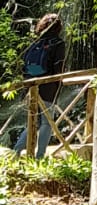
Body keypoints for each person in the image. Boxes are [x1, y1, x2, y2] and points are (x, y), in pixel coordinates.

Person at [15, 13, 65, 160]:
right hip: (48, 86)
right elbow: (58, 67)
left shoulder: (34, 42)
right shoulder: (58, 43)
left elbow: (24, 65)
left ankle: (16, 152)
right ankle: (39, 157)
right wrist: (59, 83)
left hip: (31, 86)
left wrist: (26, 88)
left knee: (32, 122)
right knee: (47, 122)